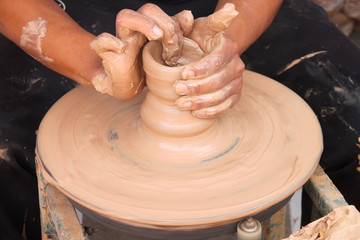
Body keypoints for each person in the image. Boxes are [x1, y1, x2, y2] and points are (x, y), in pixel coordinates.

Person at [0, 0, 359, 239]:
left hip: (224, 9)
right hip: (65, 14)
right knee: (8, 162)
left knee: (352, 122)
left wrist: (228, 41)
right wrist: (93, 65)